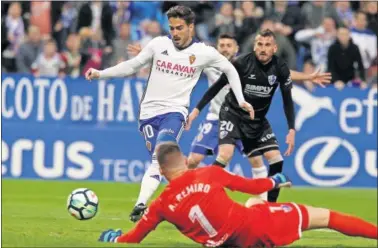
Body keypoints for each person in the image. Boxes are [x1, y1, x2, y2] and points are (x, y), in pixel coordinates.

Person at [84, 5, 254, 222]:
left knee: (159, 155)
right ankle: (192, 200)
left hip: (175, 113)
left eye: (179, 28)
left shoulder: (203, 52)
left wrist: (241, 100)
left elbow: (230, 70)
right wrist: (101, 73)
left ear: (191, 27)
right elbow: (132, 65)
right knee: (162, 163)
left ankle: (140, 205)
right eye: (172, 28)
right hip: (148, 114)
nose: (175, 33)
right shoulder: (158, 44)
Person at [98, 141, 377, 247]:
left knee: (254, 204)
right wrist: (275, 180)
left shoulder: (160, 205)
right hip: (254, 228)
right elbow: (254, 186)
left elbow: (133, 238)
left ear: (160, 168)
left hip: (228, 243)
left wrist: (115, 239)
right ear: (183, 159)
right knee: (326, 217)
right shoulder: (208, 173)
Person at [186, 29, 332, 203]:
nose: (263, 48)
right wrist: (196, 111)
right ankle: (201, 196)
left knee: (273, 159)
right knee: (218, 156)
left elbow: (286, 92)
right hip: (229, 115)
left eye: (267, 45)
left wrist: (291, 128)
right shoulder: (238, 63)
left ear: (274, 48)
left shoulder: (277, 67)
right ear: (254, 46)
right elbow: (215, 87)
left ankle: (269, 205)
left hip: (255, 120)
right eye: (259, 44)